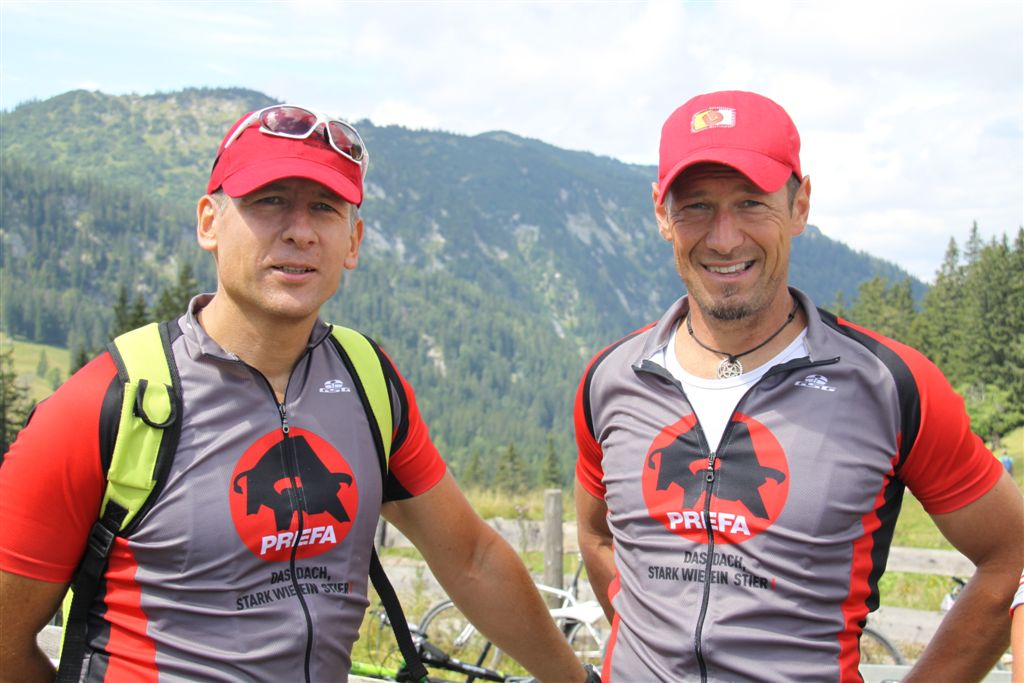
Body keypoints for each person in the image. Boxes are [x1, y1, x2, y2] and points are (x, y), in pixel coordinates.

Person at [0, 105, 593, 682]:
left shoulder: (368, 380)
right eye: (269, 201)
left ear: (353, 242)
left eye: (325, 208)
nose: (300, 231)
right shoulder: (111, 402)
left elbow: (472, 560)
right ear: (209, 222)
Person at [573, 90, 1024, 681]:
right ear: (661, 214)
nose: (724, 238)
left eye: (751, 203)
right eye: (697, 206)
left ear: (800, 205)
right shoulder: (611, 378)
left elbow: (1010, 555)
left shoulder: (889, 386)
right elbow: (597, 538)